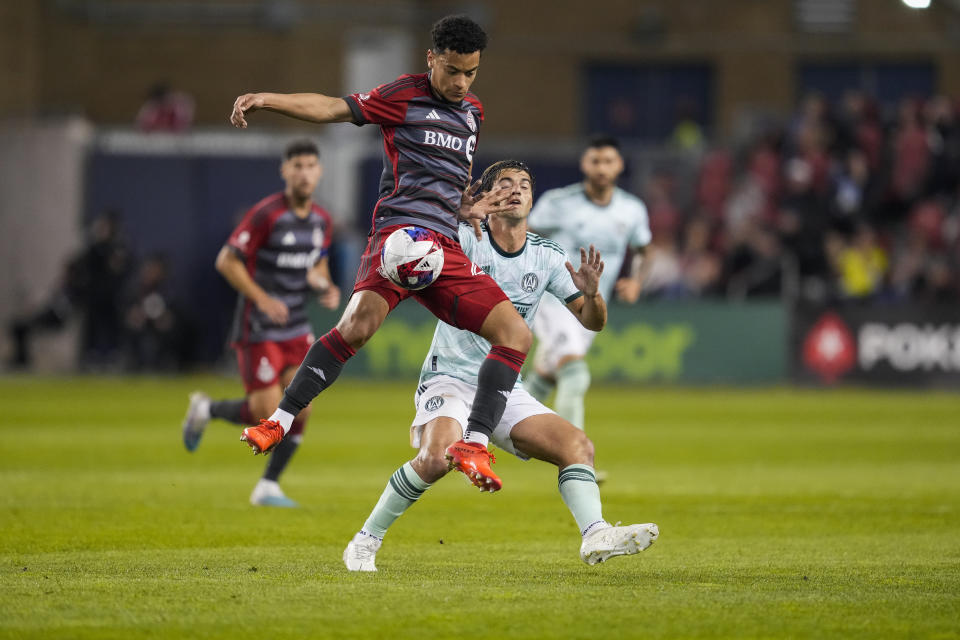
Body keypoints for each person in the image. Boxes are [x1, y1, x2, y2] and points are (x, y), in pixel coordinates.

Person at [228, 15, 531, 492]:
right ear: (431, 58)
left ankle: (473, 442)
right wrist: (268, 99)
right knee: (357, 327)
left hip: (445, 246)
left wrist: (464, 205)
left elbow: (445, 183)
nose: (460, 82)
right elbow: (332, 107)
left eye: (470, 72)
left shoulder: (473, 112)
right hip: (397, 238)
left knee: (515, 334)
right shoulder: (401, 95)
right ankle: (279, 421)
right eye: (452, 70)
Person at [342, 160, 659, 571]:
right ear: (487, 198)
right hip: (450, 378)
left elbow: (593, 321)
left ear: (531, 198)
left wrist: (594, 294)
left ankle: (595, 533)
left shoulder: (547, 257)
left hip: (504, 386)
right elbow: (414, 249)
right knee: (437, 459)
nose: (516, 190)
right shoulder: (461, 242)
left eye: (524, 185)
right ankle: (366, 540)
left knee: (577, 447)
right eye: (505, 184)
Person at [181, 139, 340, 507]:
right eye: (296, 165)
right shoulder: (267, 214)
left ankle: (268, 486)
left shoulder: (322, 220)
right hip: (260, 326)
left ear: (319, 172)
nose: (303, 172)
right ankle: (205, 410)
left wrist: (324, 287)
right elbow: (227, 260)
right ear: (284, 171)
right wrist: (262, 298)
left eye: (310, 166)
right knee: (265, 412)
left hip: (296, 325)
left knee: (302, 405)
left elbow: (316, 267)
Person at [524, 136, 652, 432]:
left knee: (547, 374)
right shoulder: (559, 202)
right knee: (575, 370)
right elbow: (523, 233)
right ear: (584, 164)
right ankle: (577, 458)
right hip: (553, 297)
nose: (601, 168)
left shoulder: (631, 209)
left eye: (608, 161)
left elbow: (646, 251)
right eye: (595, 161)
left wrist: (636, 281)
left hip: (593, 304)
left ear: (619, 165)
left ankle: (492, 433)